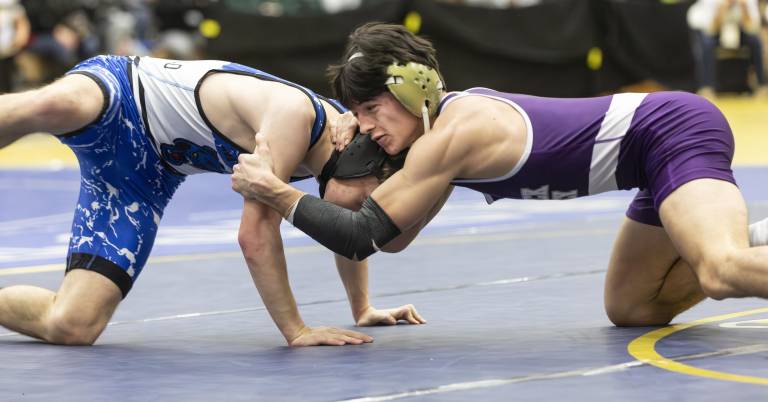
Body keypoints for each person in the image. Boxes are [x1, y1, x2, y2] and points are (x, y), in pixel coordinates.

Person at [232, 22, 768, 328]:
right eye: (359, 113)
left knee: (720, 273)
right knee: (632, 308)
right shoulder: (430, 141)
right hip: (645, 163)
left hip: (670, 131)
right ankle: (747, 242)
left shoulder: (452, 138)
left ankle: (722, 248)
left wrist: (274, 191)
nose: (368, 128)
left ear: (414, 88)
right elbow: (392, 240)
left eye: (373, 108)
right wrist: (357, 161)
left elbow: (362, 238)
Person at [0, 54, 426, 347]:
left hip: (144, 178)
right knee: (56, 102)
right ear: (356, 161)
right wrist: (296, 330)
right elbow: (254, 237)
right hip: (123, 92)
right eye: (364, 200)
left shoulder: (342, 148)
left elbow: (344, 234)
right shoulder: (296, 117)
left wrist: (362, 307)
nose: (358, 213)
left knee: (73, 325)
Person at [688, 0, 767, 97]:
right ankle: (706, 86)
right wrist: (721, 10)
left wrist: (744, 9)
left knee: (756, 42)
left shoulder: (748, 2)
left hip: (740, 30)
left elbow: (751, 29)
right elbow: (711, 30)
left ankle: (762, 86)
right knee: (707, 43)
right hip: (712, 29)